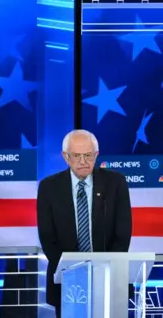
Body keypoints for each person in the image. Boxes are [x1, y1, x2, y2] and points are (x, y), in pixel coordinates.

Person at [37, 129, 132, 317]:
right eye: (77, 156)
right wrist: (72, 271)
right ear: (66, 157)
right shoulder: (49, 187)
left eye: (88, 155)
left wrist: (103, 269)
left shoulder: (115, 183)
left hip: (107, 277)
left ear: (96, 155)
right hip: (66, 280)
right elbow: (48, 237)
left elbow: (123, 234)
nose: (83, 162)